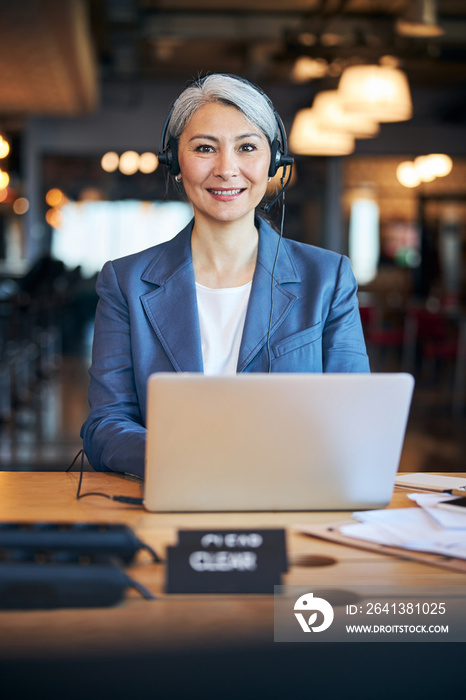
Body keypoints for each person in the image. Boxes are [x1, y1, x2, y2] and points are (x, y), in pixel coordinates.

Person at [81, 73, 369, 478]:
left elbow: (355, 415)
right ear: (175, 163)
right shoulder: (124, 282)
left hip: (293, 496)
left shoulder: (328, 278)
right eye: (204, 148)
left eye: (247, 147)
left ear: (274, 163)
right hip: (172, 495)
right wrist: (189, 459)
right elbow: (105, 427)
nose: (226, 169)